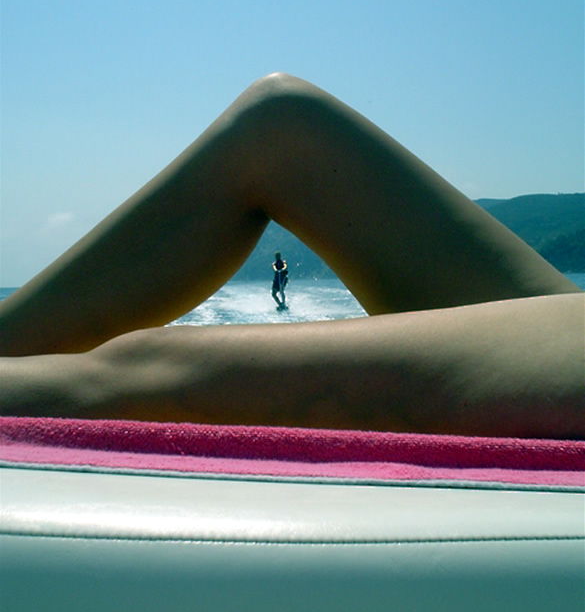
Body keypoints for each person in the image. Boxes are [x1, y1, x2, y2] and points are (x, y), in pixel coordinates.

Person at [0, 73, 582, 438]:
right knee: (279, 120)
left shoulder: (279, 270)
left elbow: (279, 274)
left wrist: (280, 279)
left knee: (154, 367)